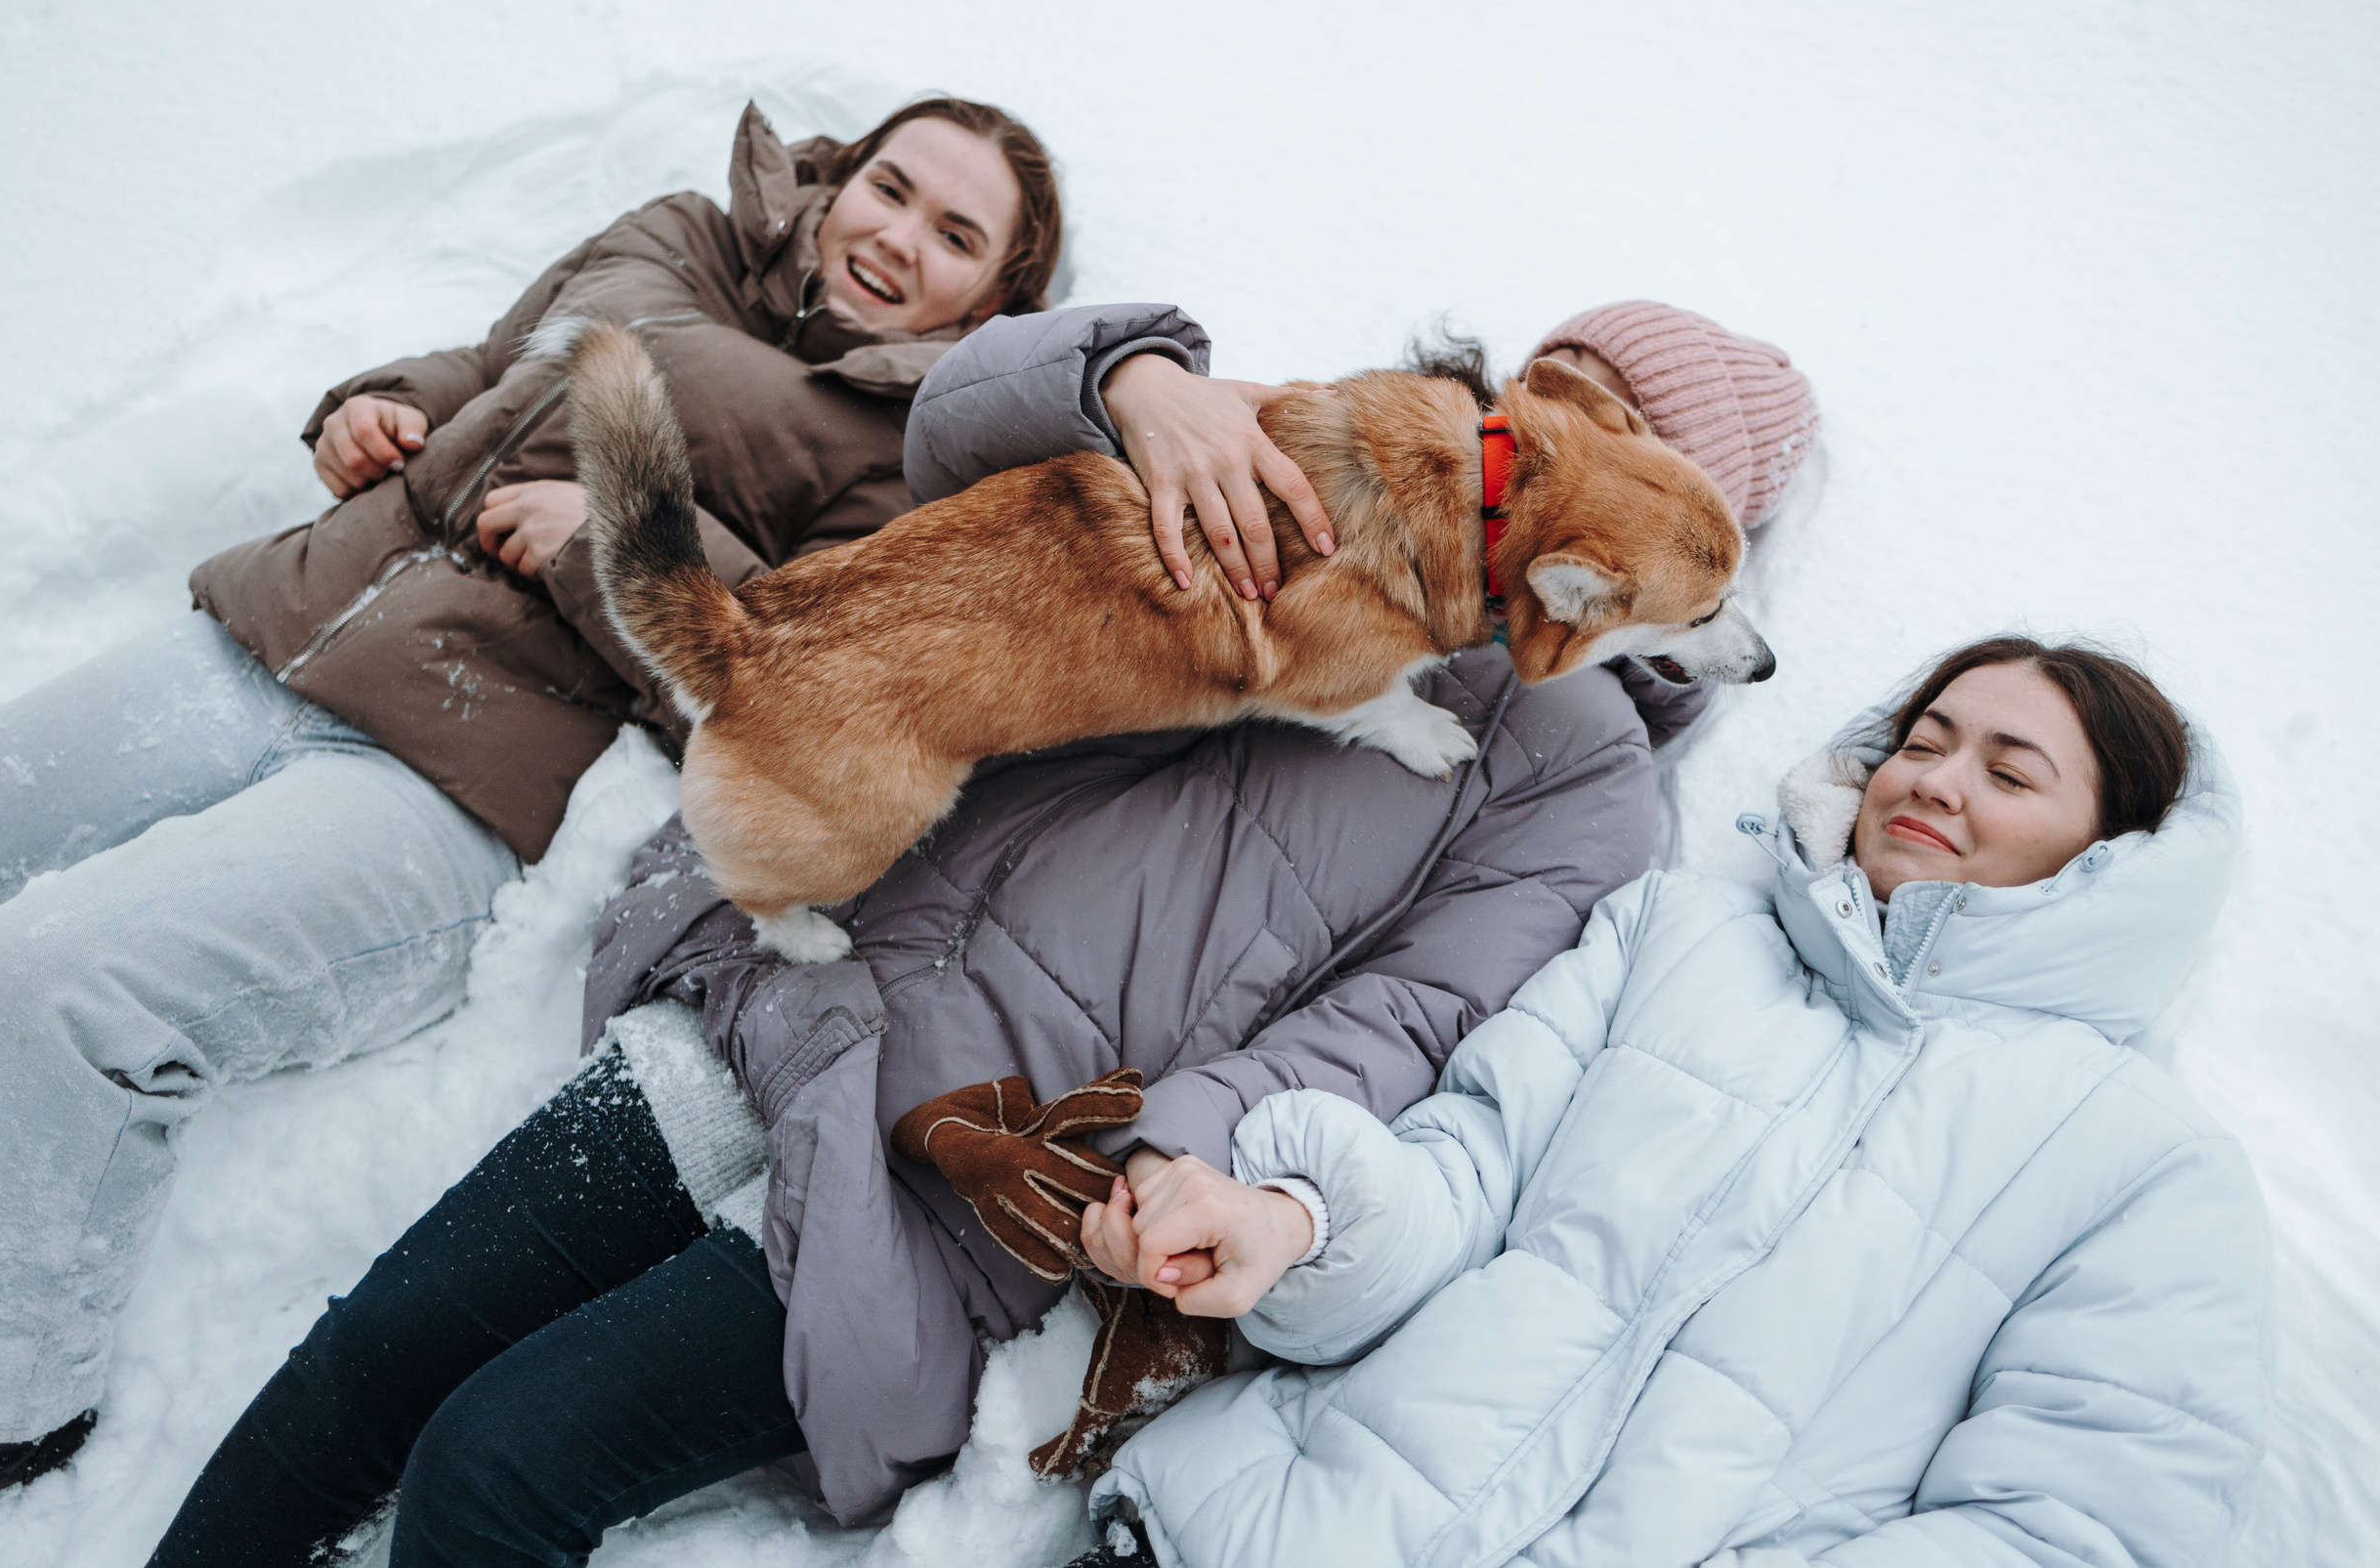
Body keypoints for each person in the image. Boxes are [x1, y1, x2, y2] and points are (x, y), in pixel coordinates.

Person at [141, 299, 1820, 1565]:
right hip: (799, 989)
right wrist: (1140, 382)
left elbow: (1399, 1025)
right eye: (1563, 414)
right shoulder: (1305, 457)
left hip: (965, 1171)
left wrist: (1197, 1153)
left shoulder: (1578, 786)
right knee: (376, 1352)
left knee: (493, 1461)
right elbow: (951, 428)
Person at [0, 93, 1063, 1556]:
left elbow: (798, 684)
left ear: (999, 295)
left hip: (450, 772)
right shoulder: (678, 236)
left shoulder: (920, 458)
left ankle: (0, 1415)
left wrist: (624, 538)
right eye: (889, 188)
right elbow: (498, 360)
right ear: (834, 181)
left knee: (59, 979)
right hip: (282, 622)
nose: (897, 238)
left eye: (955, 235)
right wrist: (379, 402)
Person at [1070, 637, 2268, 1568]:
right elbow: (1471, 1165)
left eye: (2007, 773)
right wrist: (1295, 1225)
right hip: (1264, 1526)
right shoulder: (1679, 934)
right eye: (1923, 739)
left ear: (2113, 854)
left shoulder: (2145, 1165)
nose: (1935, 781)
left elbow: (2075, 1527)